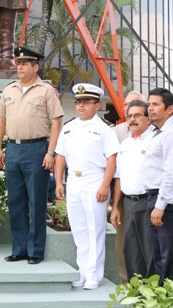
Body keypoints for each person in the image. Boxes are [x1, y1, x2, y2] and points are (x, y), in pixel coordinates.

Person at [0, 46, 64, 264]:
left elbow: (56, 121)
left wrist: (51, 152)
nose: (20, 68)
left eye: (25, 64)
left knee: (36, 202)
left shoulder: (46, 90)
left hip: (37, 149)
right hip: (13, 149)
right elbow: (1, 120)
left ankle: (35, 251)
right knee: (15, 202)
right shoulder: (9, 90)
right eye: (19, 64)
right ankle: (20, 249)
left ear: (35, 67)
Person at [55, 83, 119, 290]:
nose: (81, 106)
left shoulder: (104, 129)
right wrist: (58, 182)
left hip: (95, 180)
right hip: (73, 181)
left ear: (96, 105)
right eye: (78, 102)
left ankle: (94, 275)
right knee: (79, 230)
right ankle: (82, 272)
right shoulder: (69, 127)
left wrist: (105, 185)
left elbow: (111, 159)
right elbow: (60, 156)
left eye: (86, 102)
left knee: (95, 230)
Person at [141, 87, 173, 285]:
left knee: (170, 257)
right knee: (160, 254)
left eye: (155, 104)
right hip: (157, 196)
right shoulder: (158, 132)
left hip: (167, 200)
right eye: (149, 104)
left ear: (170, 109)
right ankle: (161, 295)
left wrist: (160, 205)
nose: (150, 108)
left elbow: (171, 173)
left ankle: (171, 295)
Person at [111, 98, 156, 280]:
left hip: (148, 201)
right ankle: (135, 289)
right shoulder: (125, 145)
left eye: (137, 115)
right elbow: (119, 178)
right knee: (130, 250)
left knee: (150, 250)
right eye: (129, 116)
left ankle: (153, 290)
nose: (132, 120)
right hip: (128, 203)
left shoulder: (155, 141)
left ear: (148, 118)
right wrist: (115, 207)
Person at [109, 90, 144, 283]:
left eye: (135, 107)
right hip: (124, 197)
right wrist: (114, 204)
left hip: (148, 199)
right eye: (126, 107)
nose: (131, 113)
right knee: (123, 243)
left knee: (146, 244)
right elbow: (117, 173)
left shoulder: (155, 135)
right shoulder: (118, 134)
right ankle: (126, 282)